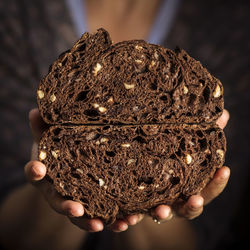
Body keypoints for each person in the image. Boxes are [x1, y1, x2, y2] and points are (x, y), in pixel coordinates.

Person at [0, 0, 249, 249]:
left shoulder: (232, 25)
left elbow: (203, 238)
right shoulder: (17, 13)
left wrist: (150, 189)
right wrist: (65, 177)